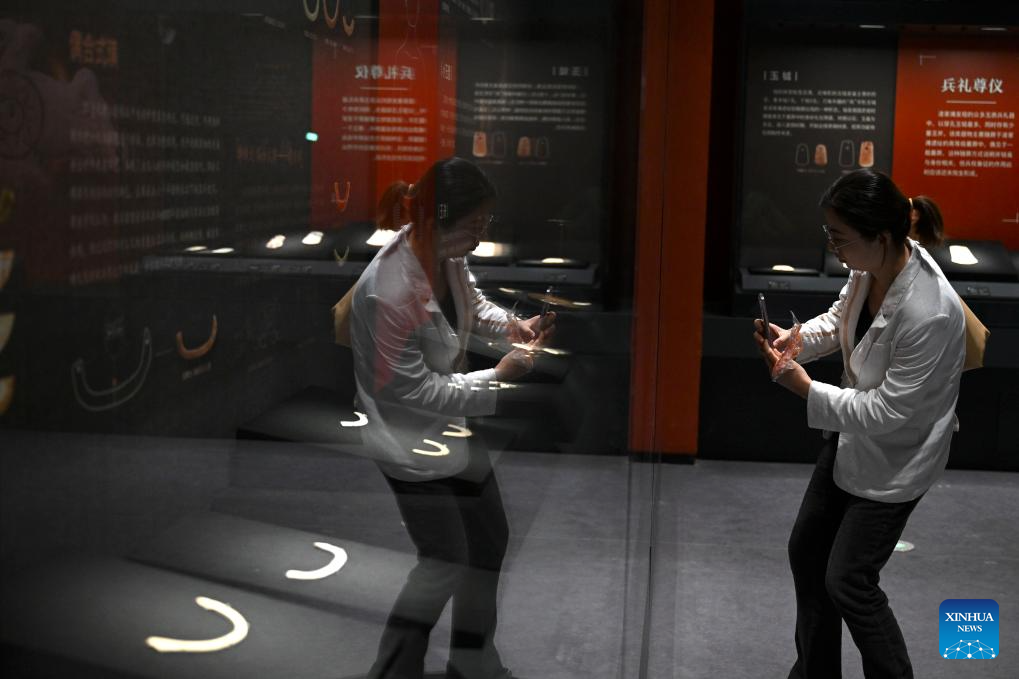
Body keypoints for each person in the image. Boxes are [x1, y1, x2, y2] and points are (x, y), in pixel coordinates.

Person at [753, 169, 965, 679]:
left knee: (849, 580)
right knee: (808, 554)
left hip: (898, 457)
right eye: (830, 234)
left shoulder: (931, 312)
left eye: (840, 237)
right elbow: (839, 318)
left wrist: (805, 388)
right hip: (852, 439)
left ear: (882, 235)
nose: (833, 247)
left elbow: (886, 412)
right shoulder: (869, 266)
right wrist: (797, 341)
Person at [350, 157, 554, 679]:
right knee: (442, 562)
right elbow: (415, 391)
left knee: (488, 540)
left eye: (486, 222)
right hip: (407, 441)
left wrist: (511, 326)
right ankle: (393, 672)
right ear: (437, 217)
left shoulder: (445, 255)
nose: (481, 236)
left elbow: (473, 303)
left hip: (452, 426)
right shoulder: (387, 290)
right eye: (474, 224)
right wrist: (500, 377)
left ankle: (471, 658)